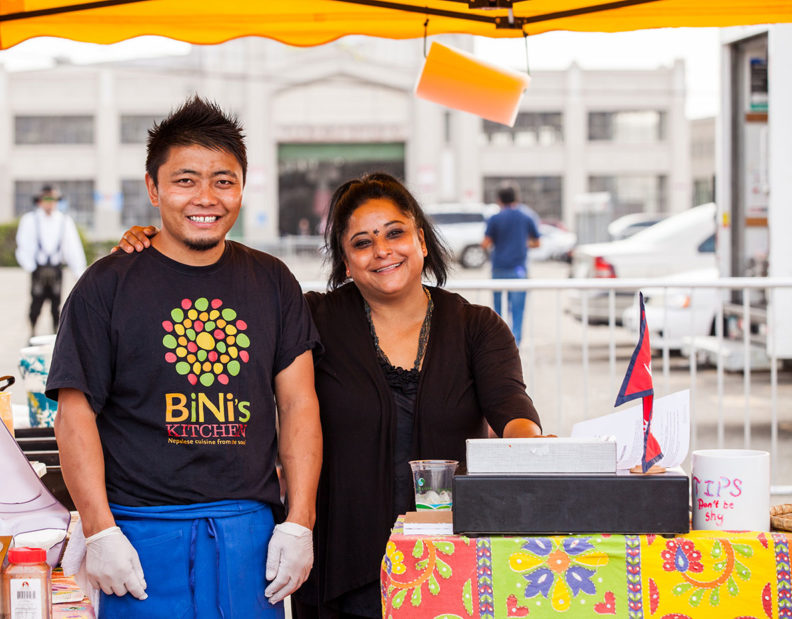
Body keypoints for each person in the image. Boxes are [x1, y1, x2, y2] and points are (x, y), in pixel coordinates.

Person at [117, 172, 544, 619]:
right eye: (362, 243)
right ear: (345, 259)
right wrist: (160, 250)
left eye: (395, 233)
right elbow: (221, 306)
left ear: (420, 237)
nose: (382, 251)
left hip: (448, 563)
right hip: (337, 569)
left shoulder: (477, 327)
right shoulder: (312, 318)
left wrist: (531, 447)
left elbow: (511, 408)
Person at [48, 96, 322, 618]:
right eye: (185, 179)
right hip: (139, 537)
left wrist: (298, 522)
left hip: (250, 535)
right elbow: (74, 414)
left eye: (224, 180)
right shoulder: (105, 286)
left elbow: (300, 405)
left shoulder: (273, 281)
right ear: (154, 188)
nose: (206, 197)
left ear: (242, 186)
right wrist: (99, 529)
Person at [15, 185, 87, 336]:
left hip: (56, 269)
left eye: (53, 199)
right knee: (36, 303)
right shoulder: (30, 220)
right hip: (38, 268)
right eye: (46, 199)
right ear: (40, 201)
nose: (50, 203)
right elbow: (23, 244)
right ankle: (32, 331)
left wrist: (79, 272)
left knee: (57, 305)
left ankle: (56, 334)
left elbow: (73, 247)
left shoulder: (64, 221)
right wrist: (30, 265)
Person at [481, 183, 540, 346]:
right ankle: (516, 343)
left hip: (498, 268)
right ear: (517, 198)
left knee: (498, 308)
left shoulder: (494, 218)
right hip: (519, 269)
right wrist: (522, 243)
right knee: (518, 309)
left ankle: (500, 342)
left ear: (499, 200)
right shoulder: (527, 216)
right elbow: (537, 242)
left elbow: (485, 243)